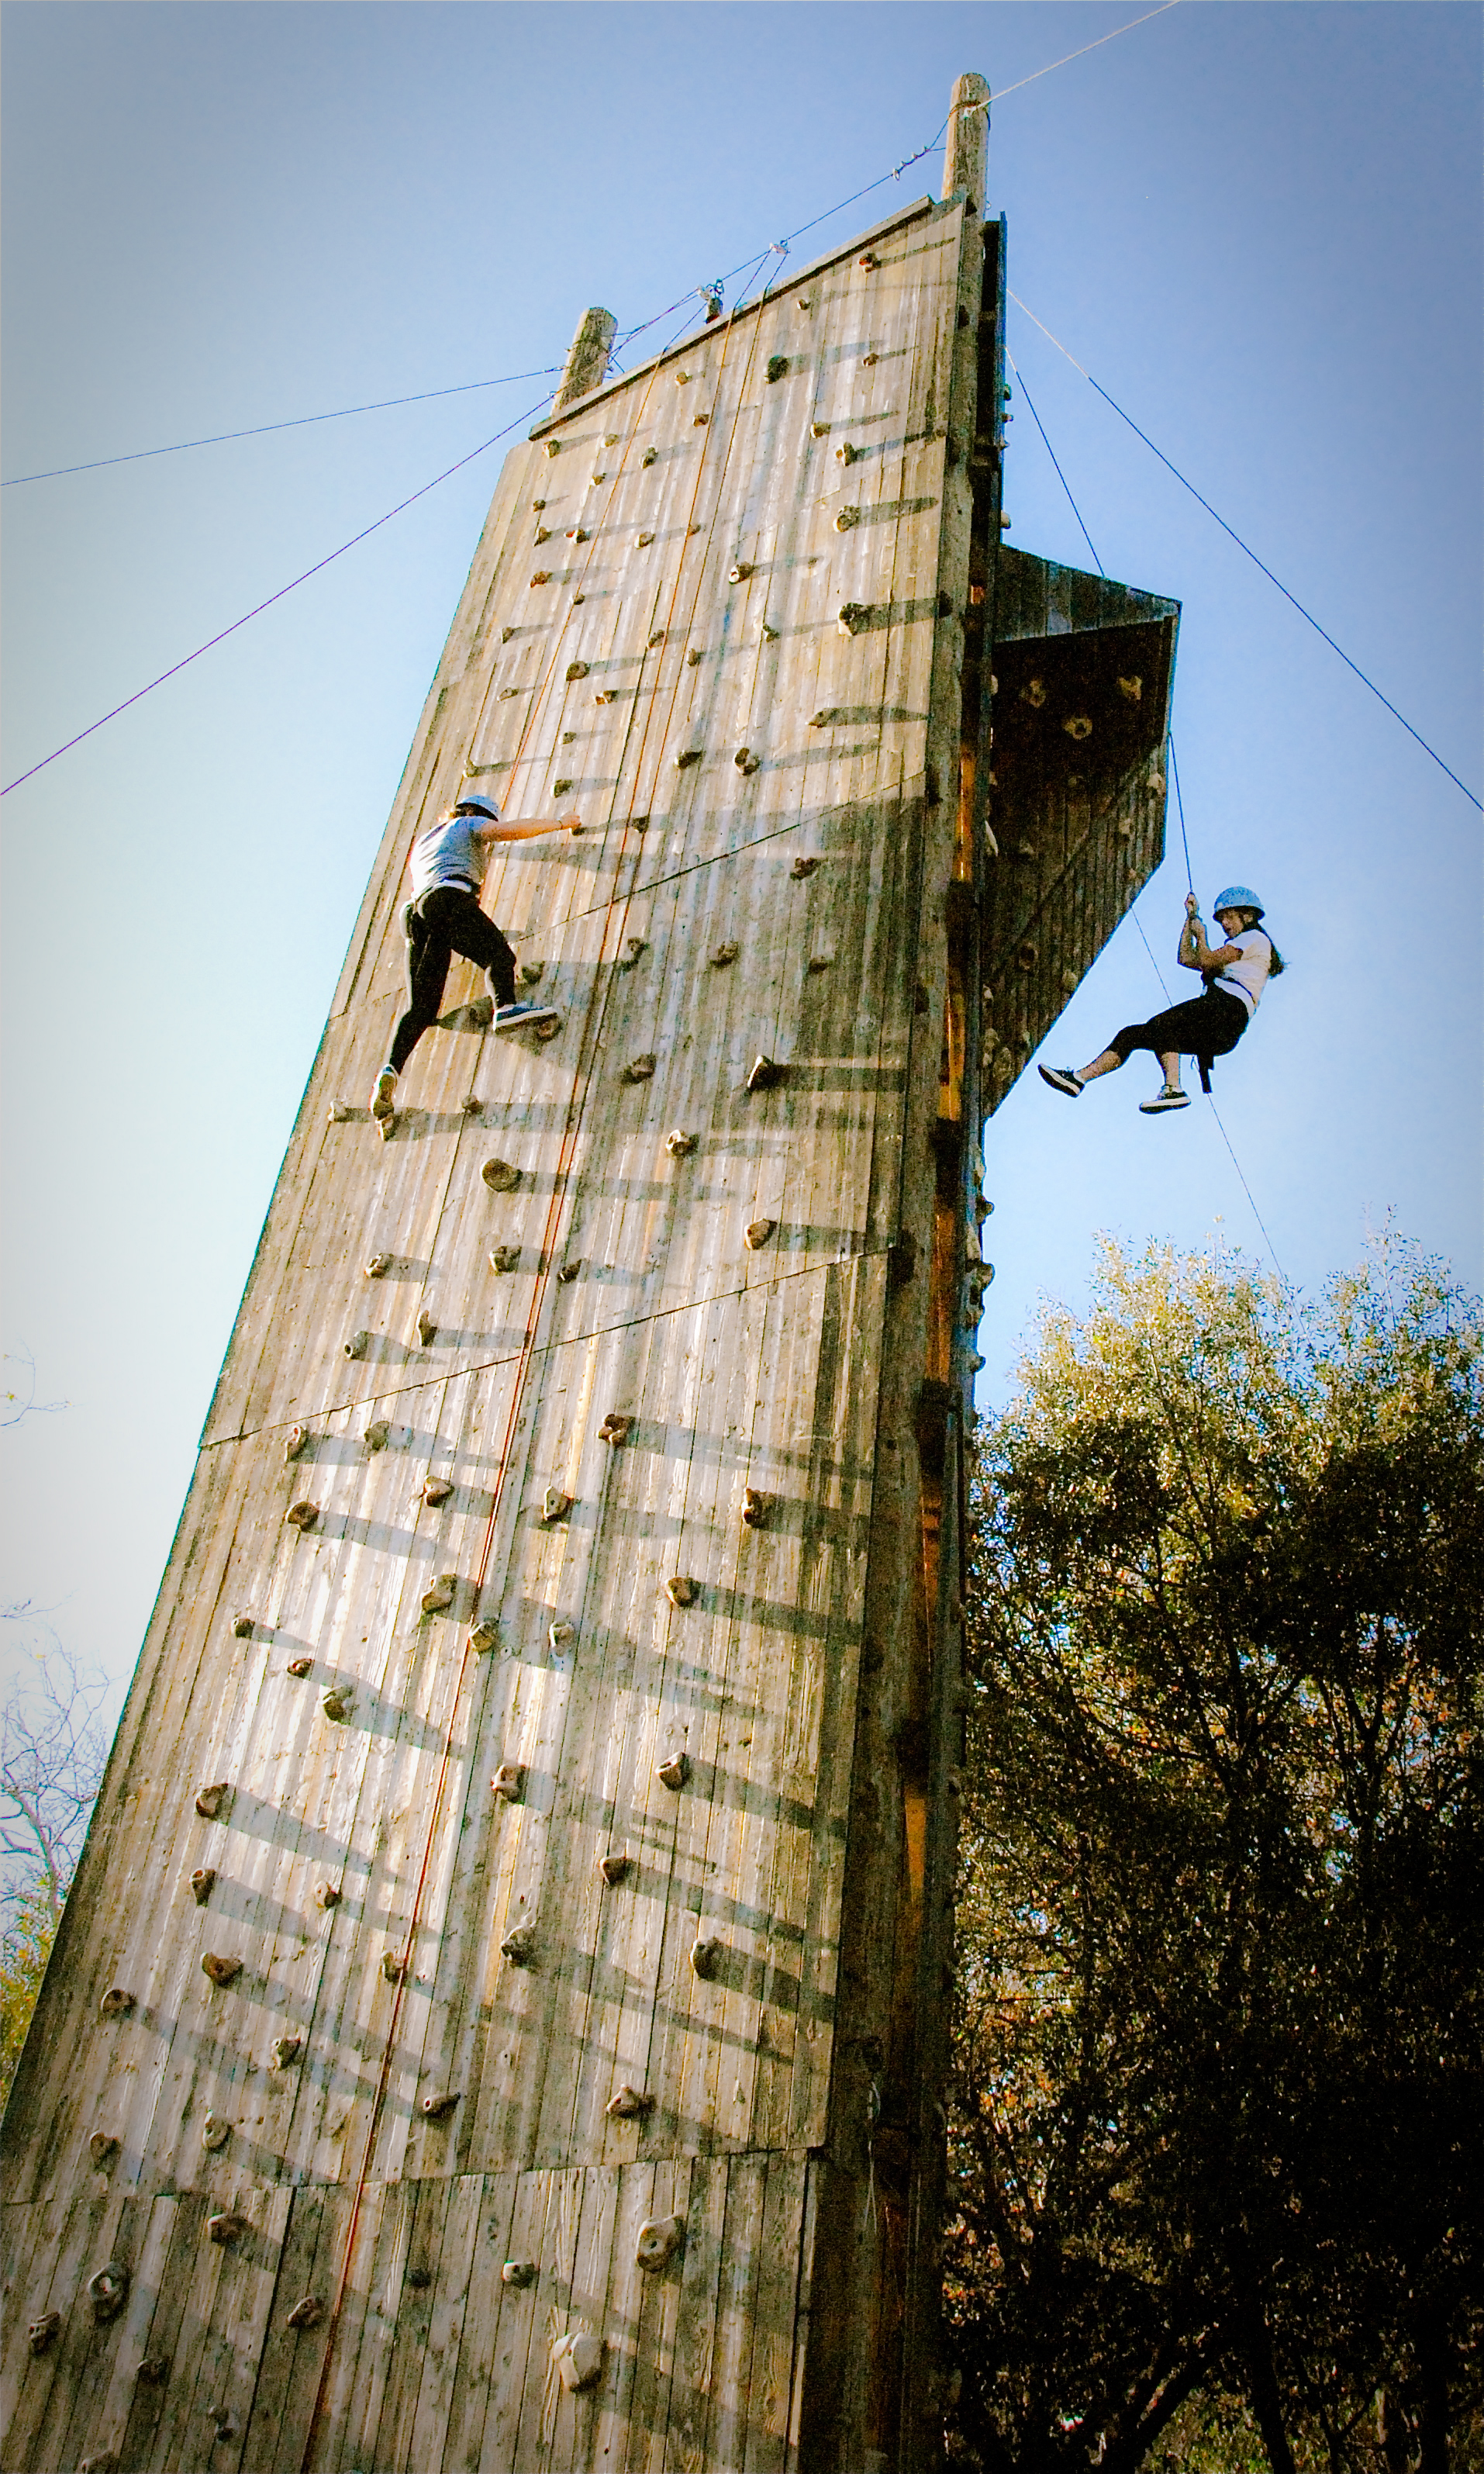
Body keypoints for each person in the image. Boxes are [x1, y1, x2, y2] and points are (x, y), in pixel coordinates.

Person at [370, 787, 582, 1121]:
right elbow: (507, 831)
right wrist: (559, 822)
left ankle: (390, 1070)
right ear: (472, 813)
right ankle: (506, 1007)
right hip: (448, 898)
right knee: (499, 957)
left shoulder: (425, 842)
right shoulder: (466, 826)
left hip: (416, 915)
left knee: (422, 1008)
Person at [1039, 886, 1283, 1115]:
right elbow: (1186, 958)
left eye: (1229, 917)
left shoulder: (1255, 939)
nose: (1225, 925)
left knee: (1162, 1026)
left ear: (1248, 915)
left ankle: (1174, 1088)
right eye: (1221, 920)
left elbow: (1207, 960)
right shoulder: (1240, 946)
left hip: (1228, 1009)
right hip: (1223, 1024)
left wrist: (1202, 934)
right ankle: (1080, 1078)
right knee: (1133, 1034)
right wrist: (1190, 922)